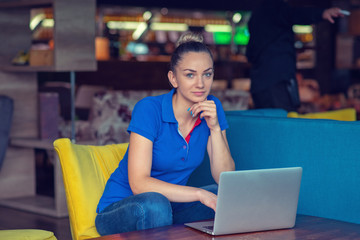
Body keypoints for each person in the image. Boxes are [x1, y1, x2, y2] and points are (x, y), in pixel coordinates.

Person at [95, 31, 235, 235]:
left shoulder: (212, 108)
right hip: (122, 210)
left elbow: (226, 178)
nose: (200, 84)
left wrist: (214, 128)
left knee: (221, 196)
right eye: (190, 74)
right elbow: (139, 184)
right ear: (173, 78)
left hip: (171, 207)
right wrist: (198, 193)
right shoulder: (149, 109)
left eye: (207, 74)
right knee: (156, 204)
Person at [246, 0, 346, 112]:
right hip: (275, 82)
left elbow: (250, 53)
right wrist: (322, 13)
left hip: (259, 84)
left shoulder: (257, 14)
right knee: (283, 122)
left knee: (267, 122)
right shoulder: (274, 6)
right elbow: (294, 14)